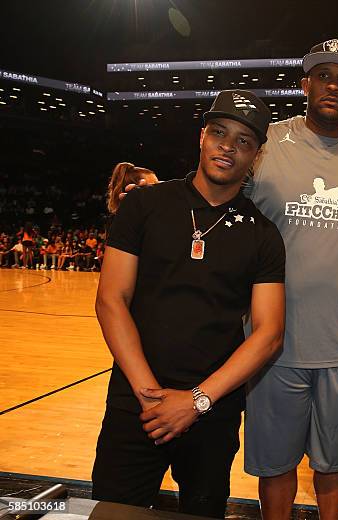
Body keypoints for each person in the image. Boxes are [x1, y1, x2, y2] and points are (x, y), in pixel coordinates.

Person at [91, 89, 285, 518]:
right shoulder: (144, 205)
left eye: (243, 141)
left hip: (211, 413)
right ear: (202, 137)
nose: (228, 147)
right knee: (111, 512)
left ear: (255, 155)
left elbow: (270, 333)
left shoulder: (263, 234)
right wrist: (151, 397)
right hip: (135, 404)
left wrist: (195, 401)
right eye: (219, 133)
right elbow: (111, 300)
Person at [242, 39, 338, 520]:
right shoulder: (264, 145)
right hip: (271, 345)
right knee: (276, 464)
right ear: (304, 84)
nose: (333, 85)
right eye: (323, 75)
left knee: (334, 463)